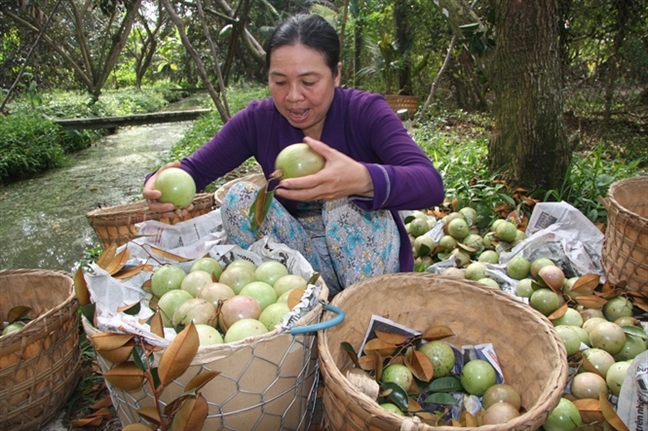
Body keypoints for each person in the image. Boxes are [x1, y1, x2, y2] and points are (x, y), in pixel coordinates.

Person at [143, 13, 444, 296]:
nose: (293, 97)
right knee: (239, 201)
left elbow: (430, 184)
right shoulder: (258, 121)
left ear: (337, 74)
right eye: (280, 82)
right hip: (304, 262)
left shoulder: (365, 112)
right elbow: (193, 171)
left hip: (368, 266)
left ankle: (359, 308)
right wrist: (160, 185)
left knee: (343, 202)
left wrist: (362, 179)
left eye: (309, 82)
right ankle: (309, 305)